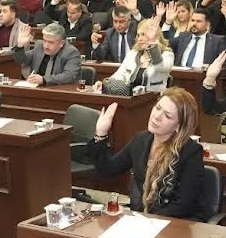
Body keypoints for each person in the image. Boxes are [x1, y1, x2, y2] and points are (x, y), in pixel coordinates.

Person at [88, 88, 209, 220]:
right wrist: (101, 134)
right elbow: (107, 170)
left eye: (167, 116)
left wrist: (147, 220)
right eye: (158, 108)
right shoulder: (141, 140)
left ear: (178, 126)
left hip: (179, 223)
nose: (157, 116)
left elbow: (183, 205)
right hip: (146, 218)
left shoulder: (190, 152)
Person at [104, 16, 174, 93]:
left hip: (153, 97)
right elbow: (120, 74)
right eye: (138, 35)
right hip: (130, 96)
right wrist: (105, 84)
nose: (140, 39)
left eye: (143, 34)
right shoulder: (133, 53)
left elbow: (159, 66)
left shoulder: (167, 55)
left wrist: (152, 43)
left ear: (156, 35)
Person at [12, 21, 82, 86]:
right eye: (44, 41)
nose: (46, 46)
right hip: (37, 88)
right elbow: (22, 60)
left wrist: (44, 80)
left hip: (61, 90)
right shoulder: (39, 46)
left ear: (62, 43)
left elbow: (69, 76)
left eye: (51, 42)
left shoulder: (71, 52)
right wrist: (20, 46)